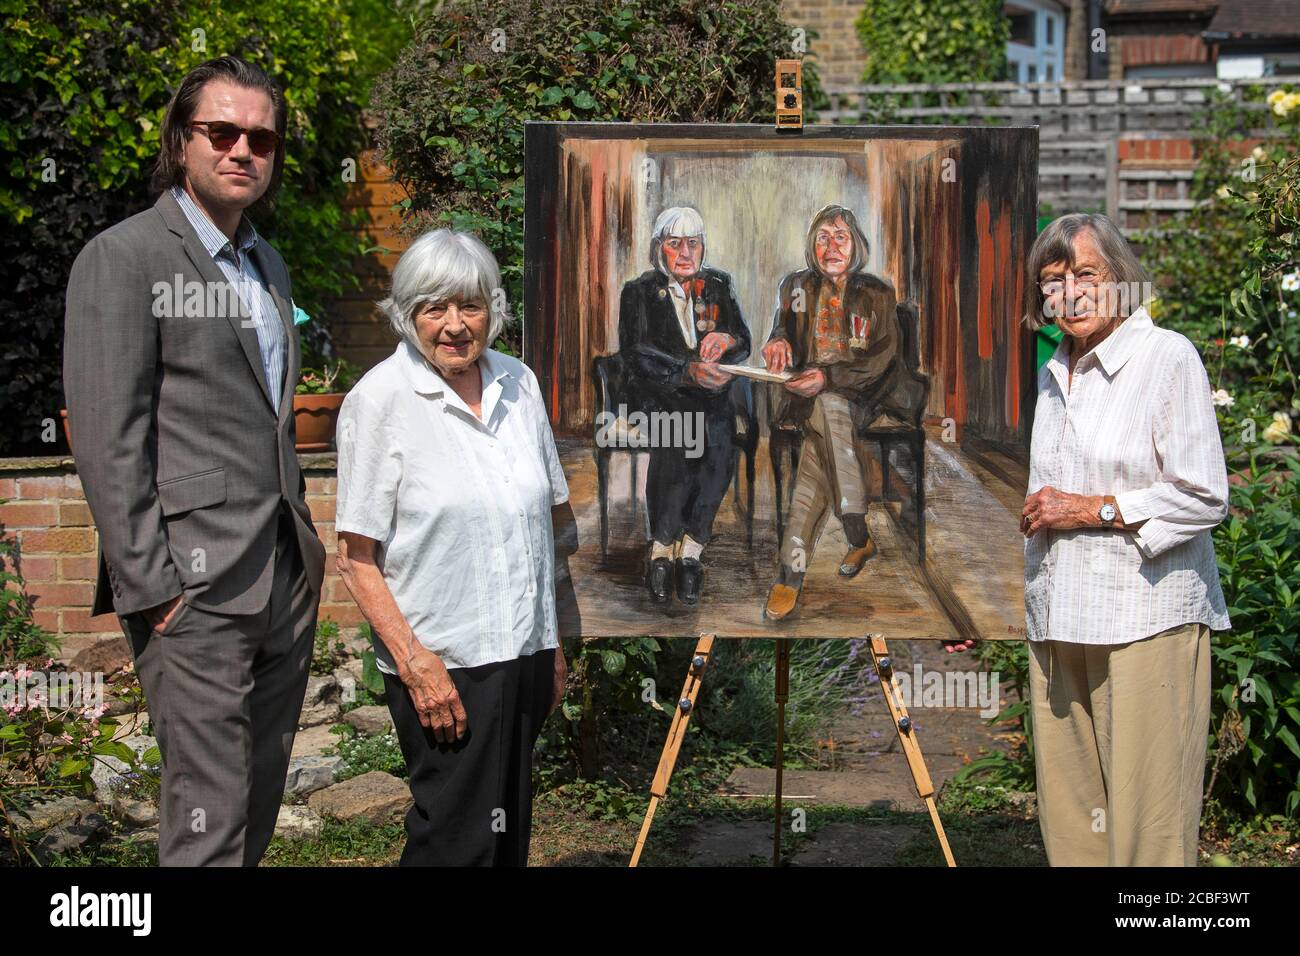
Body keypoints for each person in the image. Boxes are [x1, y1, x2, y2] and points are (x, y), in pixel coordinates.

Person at [63, 56, 325, 866]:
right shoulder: (126, 257)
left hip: (282, 575)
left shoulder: (267, 265)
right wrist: (155, 591)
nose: (242, 149)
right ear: (182, 142)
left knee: (255, 806)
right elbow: (109, 437)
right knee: (206, 823)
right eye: (222, 132)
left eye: (261, 137)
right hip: (194, 589)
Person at [335, 229, 569, 866]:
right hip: (444, 661)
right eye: (434, 307)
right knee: (453, 844)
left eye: (471, 306)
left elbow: (543, 527)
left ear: (493, 309)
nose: (455, 326)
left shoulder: (518, 386)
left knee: (505, 839)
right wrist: (417, 667)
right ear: (407, 314)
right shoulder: (380, 399)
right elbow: (356, 559)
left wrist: (550, 645)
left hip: (521, 652)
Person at [1021, 212, 1230, 866]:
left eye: (1087, 274)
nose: (1069, 293)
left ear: (1122, 282)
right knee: (1073, 825)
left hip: (1143, 619)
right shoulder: (1055, 370)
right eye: (1052, 282)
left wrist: (1093, 510)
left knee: (1150, 833)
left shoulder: (1165, 357)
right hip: (1060, 619)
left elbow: (1204, 495)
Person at [761, 204, 921, 622]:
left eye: (840, 237)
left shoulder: (877, 294)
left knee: (829, 410)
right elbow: (784, 330)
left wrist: (826, 378)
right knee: (823, 427)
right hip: (811, 401)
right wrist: (778, 342)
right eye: (823, 238)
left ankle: (789, 576)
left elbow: (881, 362)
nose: (831, 247)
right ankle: (857, 532)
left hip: (869, 397)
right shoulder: (795, 285)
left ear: (856, 245)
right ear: (813, 246)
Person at [617, 206, 751, 606]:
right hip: (657, 393)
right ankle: (662, 546)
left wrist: (726, 341)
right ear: (660, 248)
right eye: (675, 244)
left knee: (721, 440)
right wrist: (687, 371)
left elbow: (743, 339)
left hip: (709, 399)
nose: (685, 252)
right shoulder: (638, 292)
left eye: (693, 243)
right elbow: (637, 354)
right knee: (677, 439)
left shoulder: (718, 285)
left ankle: (692, 547)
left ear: (702, 246)